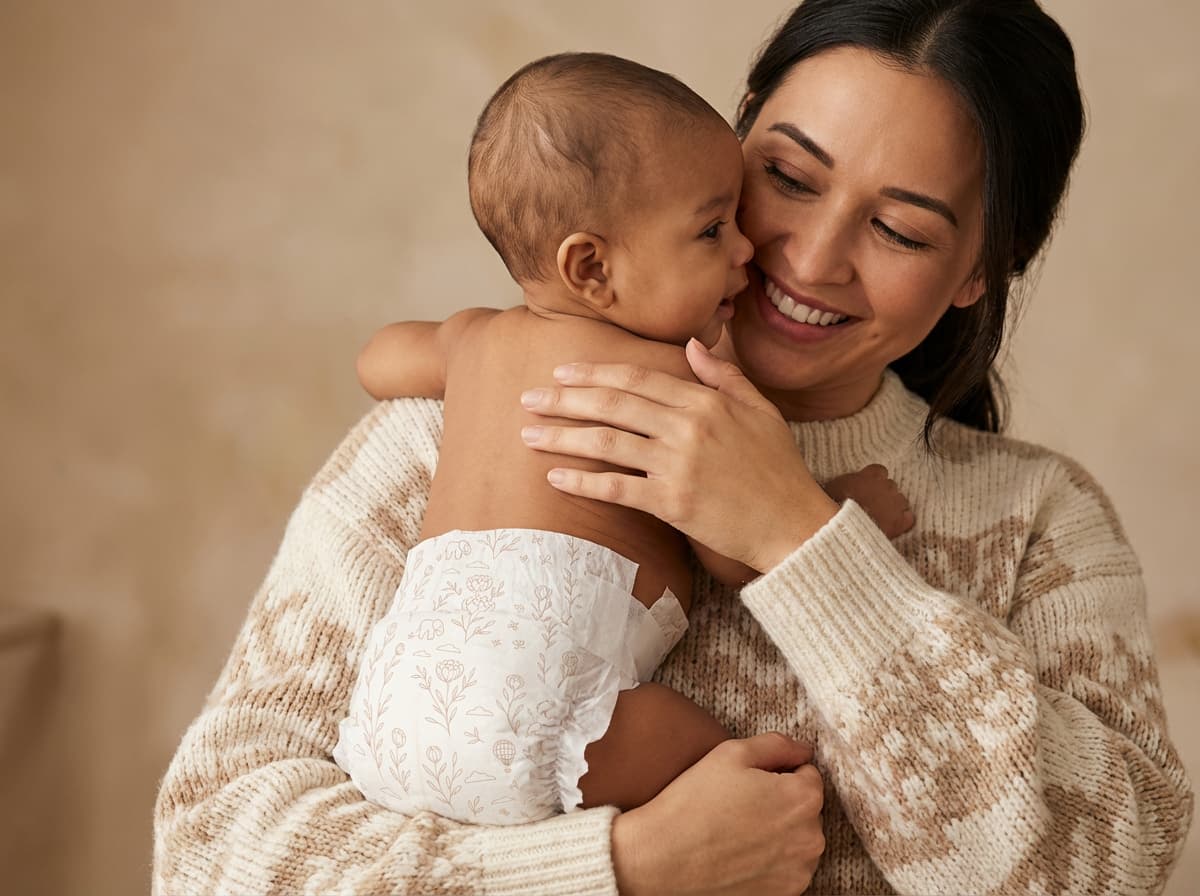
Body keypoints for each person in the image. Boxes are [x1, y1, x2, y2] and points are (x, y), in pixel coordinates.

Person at [153, 1, 1194, 894]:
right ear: (732, 132)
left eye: (902, 231)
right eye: (788, 176)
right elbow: (208, 855)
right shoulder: (452, 434)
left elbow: (1106, 872)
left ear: (983, 268)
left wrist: (800, 536)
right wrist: (622, 866)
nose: (809, 259)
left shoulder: (1036, 522)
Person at [334, 51, 910, 826]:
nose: (746, 249)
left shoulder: (474, 341)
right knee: (756, 789)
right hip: (538, 713)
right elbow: (740, 547)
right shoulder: (678, 385)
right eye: (712, 229)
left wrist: (463, 366)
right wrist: (840, 512)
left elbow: (376, 361)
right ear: (591, 268)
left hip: (390, 712)